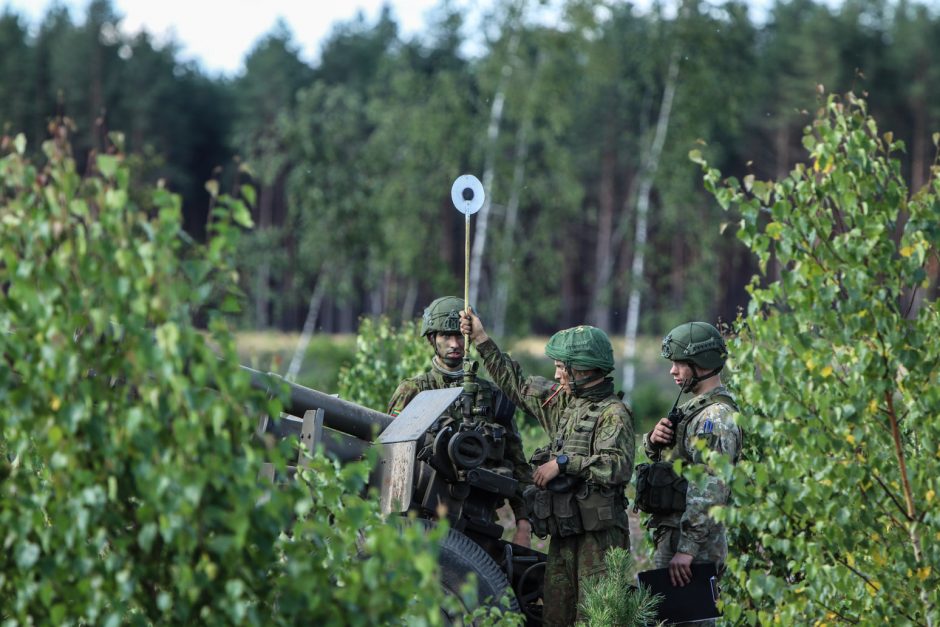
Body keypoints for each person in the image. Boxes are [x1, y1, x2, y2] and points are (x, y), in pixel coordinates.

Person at [460, 309, 634, 627]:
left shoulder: (613, 413)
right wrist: (482, 340)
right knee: (555, 615)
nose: (556, 376)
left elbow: (617, 466)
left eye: (560, 368)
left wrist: (564, 463)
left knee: (597, 619)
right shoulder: (563, 403)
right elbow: (516, 383)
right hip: (565, 535)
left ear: (580, 369)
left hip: (599, 541)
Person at [387, 296, 533, 546]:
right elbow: (389, 455)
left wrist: (524, 523)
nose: (455, 344)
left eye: (460, 336)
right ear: (432, 339)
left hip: (478, 517)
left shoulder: (491, 394)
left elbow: (516, 459)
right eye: (446, 336)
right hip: (421, 516)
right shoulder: (414, 390)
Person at [642, 321, 742, 599]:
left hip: (695, 547)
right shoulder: (694, 410)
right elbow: (673, 465)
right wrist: (653, 441)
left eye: (679, 364)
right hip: (678, 534)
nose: (672, 371)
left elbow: (710, 487)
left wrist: (686, 549)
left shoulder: (716, 418)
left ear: (701, 363)